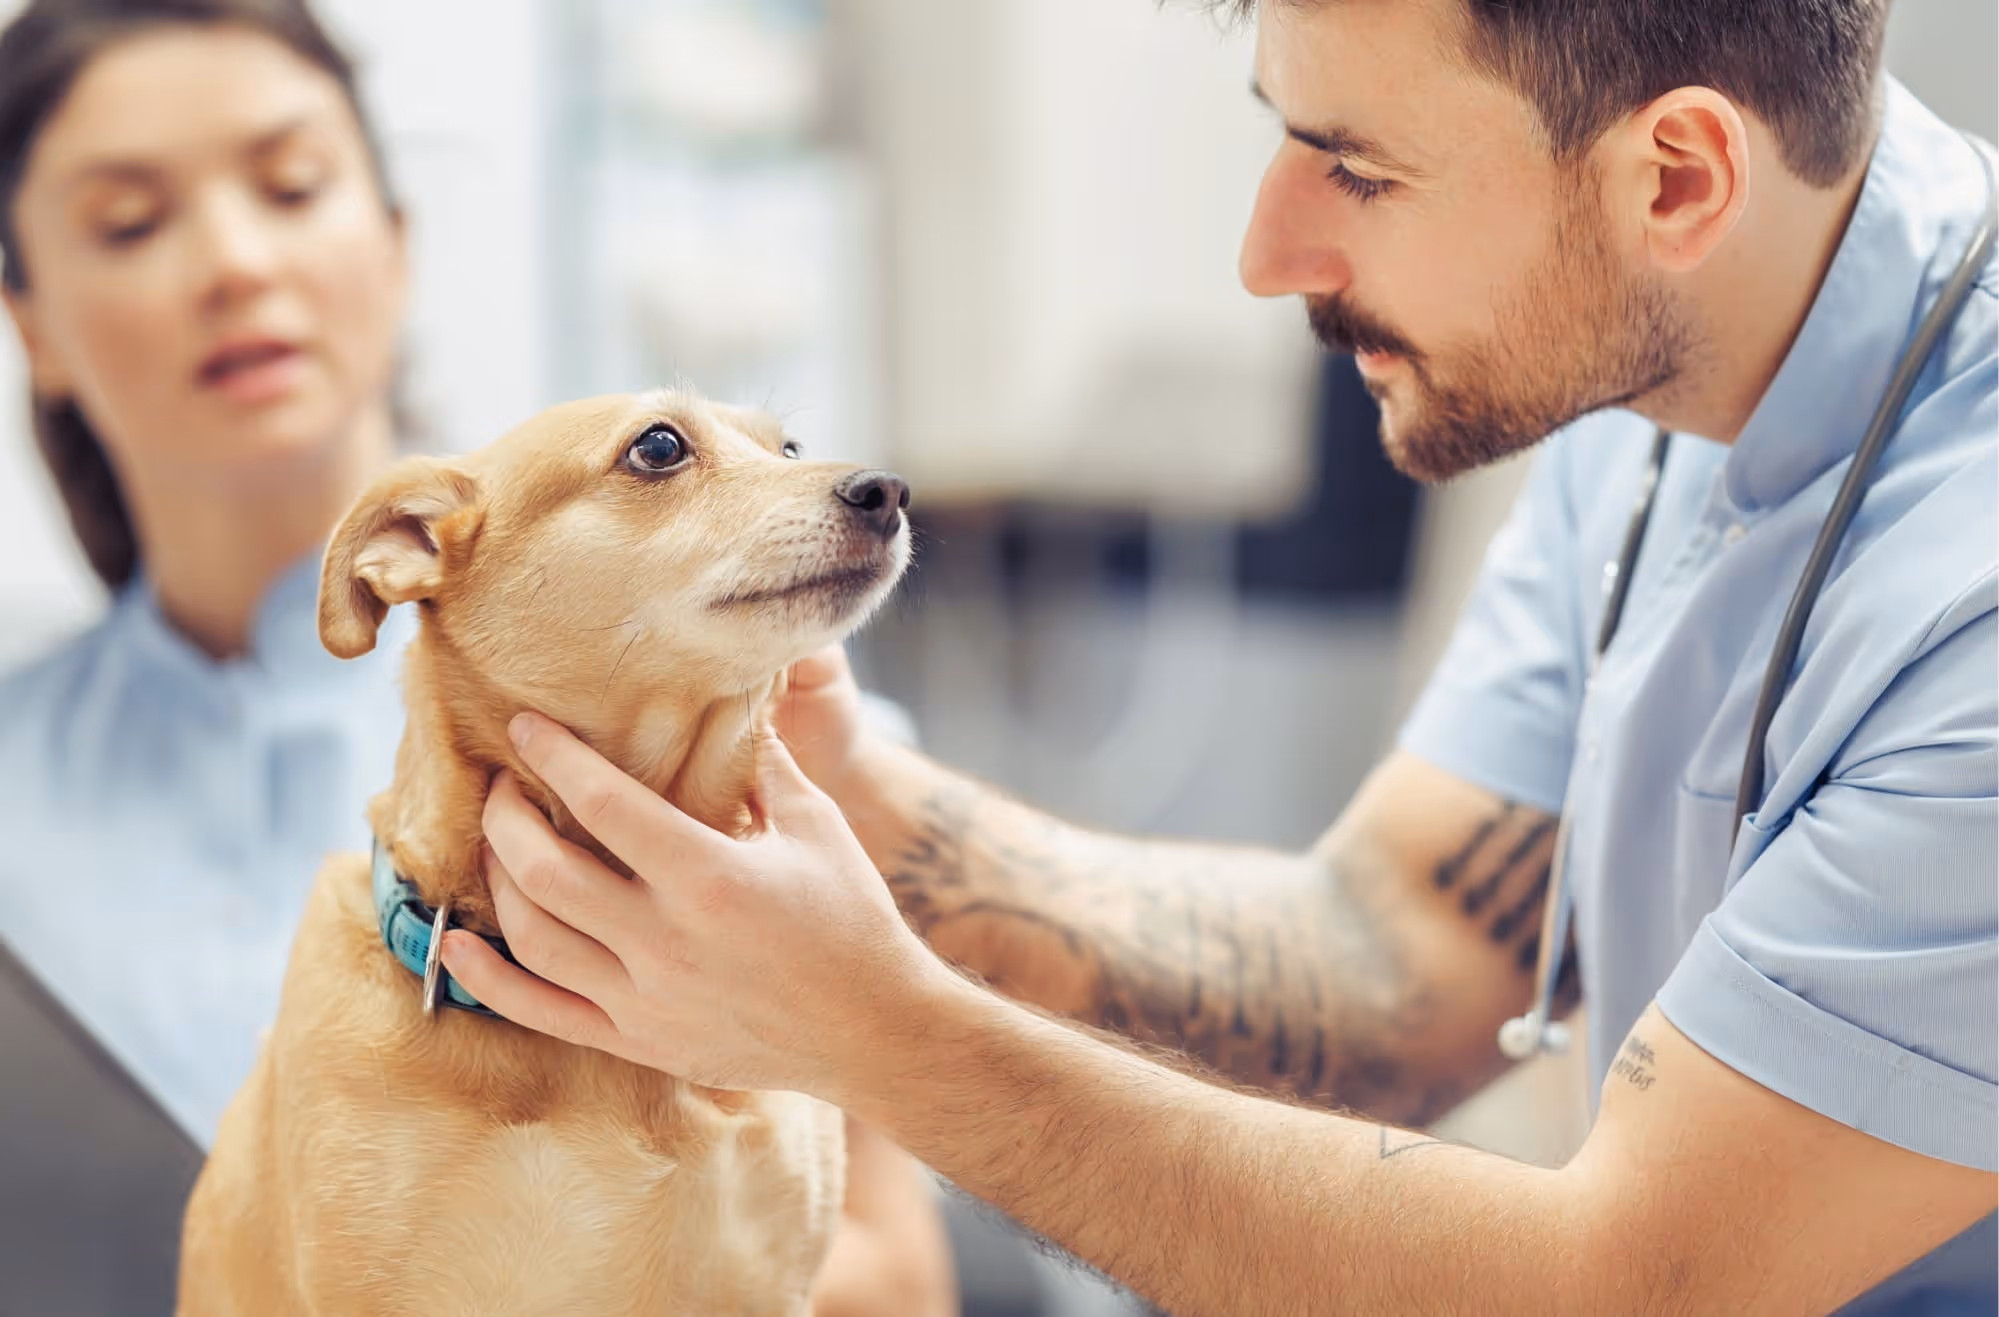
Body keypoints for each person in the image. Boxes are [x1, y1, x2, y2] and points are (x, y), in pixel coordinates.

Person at [448, 0, 1999, 1312]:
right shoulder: (1675, 360)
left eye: (1356, 169)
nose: (1268, 254)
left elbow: (1627, 1282)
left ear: (1674, 177)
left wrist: (878, 1037)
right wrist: (874, 807)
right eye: (1282, 131)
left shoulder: (1970, 600)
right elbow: (1394, 955)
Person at [0, 2, 950, 1310]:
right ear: (29, 319)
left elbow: (897, 1278)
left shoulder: (793, 772)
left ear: (395, 249)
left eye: (290, 185)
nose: (231, 260)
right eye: (129, 221)